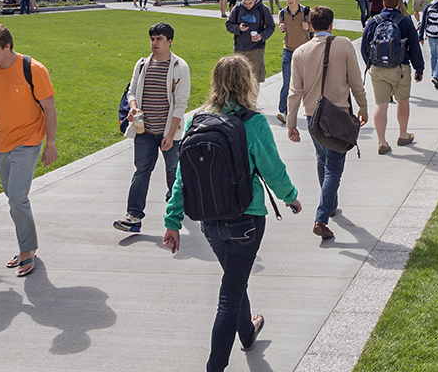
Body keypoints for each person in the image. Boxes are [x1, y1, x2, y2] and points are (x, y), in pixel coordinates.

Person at [162, 55, 301, 371]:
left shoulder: (199, 120)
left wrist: (172, 220)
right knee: (229, 294)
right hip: (246, 219)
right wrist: (290, 197)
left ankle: (248, 332)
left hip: (210, 223)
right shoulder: (253, 123)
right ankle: (215, 366)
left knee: (235, 280)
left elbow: (183, 178)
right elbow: (273, 169)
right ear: (248, 82)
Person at [0, 23, 59, 278]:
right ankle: (25, 245)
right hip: (1, 142)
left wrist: (50, 144)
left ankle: (27, 250)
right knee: (12, 197)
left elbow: (49, 108)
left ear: (8, 46)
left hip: (29, 140)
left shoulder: (33, 69)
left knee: (18, 197)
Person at [286, 6, 369, 240]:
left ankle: (330, 204)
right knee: (333, 166)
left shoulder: (300, 52)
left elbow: (294, 92)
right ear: (331, 25)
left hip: (312, 116)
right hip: (337, 116)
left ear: (311, 26)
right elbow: (355, 82)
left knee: (322, 159)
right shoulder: (343, 45)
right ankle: (321, 218)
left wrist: (291, 123)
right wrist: (363, 107)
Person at [114, 22, 190, 233]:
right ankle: (134, 216)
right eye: (152, 39)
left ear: (170, 42)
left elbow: (181, 103)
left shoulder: (179, 67)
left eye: (159, 39)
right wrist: (134, 108)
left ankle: (176, 205)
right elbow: (131, 91)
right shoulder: (141, 65)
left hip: (168, 131)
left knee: (173, 171)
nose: (154, 43)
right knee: (141, 172)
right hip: (144, 131)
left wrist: (171, 134)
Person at [362, 0, 425, 154]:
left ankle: (382, 142)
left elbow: (364, 47)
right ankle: (403, 134)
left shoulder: (373, 21)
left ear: (383, 3)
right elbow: (414, 47)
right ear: (399, 2)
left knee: (380, 104)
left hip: (378, 69)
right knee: (402, 101)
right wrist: (419, 68)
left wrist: (371, 64)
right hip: (400, 68)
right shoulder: (404, 21)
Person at [276, 0, 311, 123]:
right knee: (287, 81)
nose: (289, 1)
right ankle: (283, 111)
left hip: (304, 51)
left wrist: (309, 27)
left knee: (307, 83)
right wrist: (281, 28)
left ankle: (310, 109)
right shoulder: (282, 13)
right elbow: (281, 27)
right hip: (288, 50)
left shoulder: (307, 12)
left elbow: (315, 28)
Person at [226, 0, 274, 81]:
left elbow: (271, 26)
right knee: (239, 79)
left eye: (250, 3)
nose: (248, 6)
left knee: (255, 79)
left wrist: (261, 36)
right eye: (245, 3)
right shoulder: (238, 9)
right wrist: (238, 28)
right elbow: (228, 24)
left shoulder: (263, 9)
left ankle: (253, 96)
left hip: (256, 49)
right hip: (240, 48)